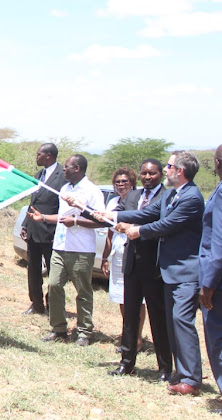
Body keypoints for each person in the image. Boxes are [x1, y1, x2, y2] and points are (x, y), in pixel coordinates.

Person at [95, 151, 204, 395]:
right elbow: (149, 214)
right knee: (174, 322)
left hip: (182, 270)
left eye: (168, 166)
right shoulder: (174, 195)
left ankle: (188, 377)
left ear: (180, 171)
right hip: (167, 270)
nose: (166, 170)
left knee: (179, 323)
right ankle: (182, 374)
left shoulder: (192, 197)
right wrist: (112, 215)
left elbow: (166, 224)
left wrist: (138, 231)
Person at [28, 154, 105, 346]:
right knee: (54, 285)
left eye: (67, 167)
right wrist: (44, 218)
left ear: (77, 168)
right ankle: (59, 329)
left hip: (81, 250)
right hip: (60, 247)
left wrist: (77, 221)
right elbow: (63, 217)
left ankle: (84, 331)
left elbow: (100, 220)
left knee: (83, 291)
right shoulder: (64, 189)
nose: (64, 169)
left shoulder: (92, 191)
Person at [106, 160, 171, 381]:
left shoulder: (167, 197)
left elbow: (155, 222)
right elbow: (116, 217)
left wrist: (134, 229)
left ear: (161, 174)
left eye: (152, 173)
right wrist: (81, 211)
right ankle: (127, 363)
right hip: (131, 261)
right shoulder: (133, 197)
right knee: (130, 316)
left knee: (157, 317)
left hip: (154, 265)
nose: (147, 177)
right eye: (144, 173)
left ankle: (164, 368)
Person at [102, 167, 146, 350]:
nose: (121, 185)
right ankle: (127, 332)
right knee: (122, 296)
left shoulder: (140, 201)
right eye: (118, 182)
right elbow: (109, 234)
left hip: (135, 252)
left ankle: (136, 337)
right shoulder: (112, 203)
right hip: (118, 255)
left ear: (132, 183)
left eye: (125, 181)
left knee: (138, 298)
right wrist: (105, 258)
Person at [20, 143, 65, 315]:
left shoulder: (63, 177)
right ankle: (36, 304)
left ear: (48, 156)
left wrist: (57, 230)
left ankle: (52, 305)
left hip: (51, 233)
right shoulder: (39, 175)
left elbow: (62, 207)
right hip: (33, 231)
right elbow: (34, 203)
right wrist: (25, 224)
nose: (36, 157)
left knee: (54, 274)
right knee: (33, 270)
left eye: (38, 154)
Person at [200, 144, 222, 395]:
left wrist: (209, 284)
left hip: (218, 283)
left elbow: (218, 244)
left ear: (217, 163)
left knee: (218, 340)